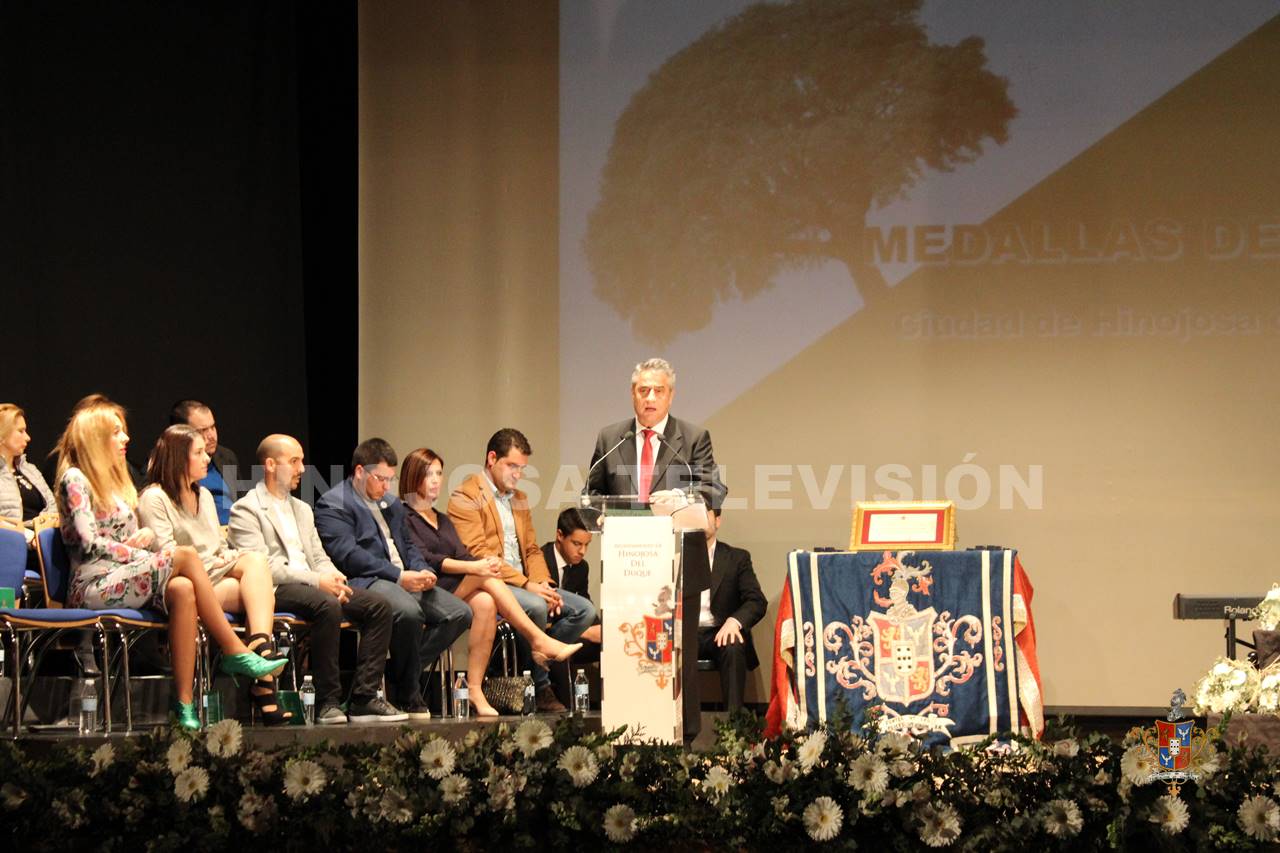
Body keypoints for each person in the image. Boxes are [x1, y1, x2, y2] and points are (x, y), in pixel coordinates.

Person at [55, 399, 284, 731]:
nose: (125, 439)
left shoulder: (117, 483)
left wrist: (142, 538)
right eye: (116, 432)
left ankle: (183, 703)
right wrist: (141, 554)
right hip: (94, 584)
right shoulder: (76, 478)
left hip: (126, 575)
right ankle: (235, 650)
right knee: (186, 556)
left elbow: (126, 536)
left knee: (183, 587)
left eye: (124, 432)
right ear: (95, 436)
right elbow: (88, 544)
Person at [228, 434, 405, 724]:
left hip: (314, 584)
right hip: (276, 589)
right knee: (327, 605)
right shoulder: (246, 509)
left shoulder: (302, 509)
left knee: (379, 606)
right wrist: (316, 580)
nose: (301, 469)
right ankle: (327, 701)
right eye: (294, 461)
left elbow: (319, 556)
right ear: (271, 465)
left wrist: (333, 576)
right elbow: (262, 567)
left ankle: (363, 697)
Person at [400, 447, 582, 717]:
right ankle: (538, 640)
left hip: (458, 588)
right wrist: (477, 566)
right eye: (429, 474)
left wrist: (484, 564)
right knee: (484, 575)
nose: (437, 480)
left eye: (439, 473)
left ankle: (474, 689)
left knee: (485, 602)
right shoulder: (404, 516)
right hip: (431, 589)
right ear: (414, 477)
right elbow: (429, 559)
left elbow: (462, 552)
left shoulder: (442, 519)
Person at [138, 425, 292, 725]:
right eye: (198, 453)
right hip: (181, 582)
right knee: (255, 588)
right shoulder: (154, 498)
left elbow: (217, 547)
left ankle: (259, 646)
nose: (207, 458)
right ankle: (262, 679)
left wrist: (229, 556)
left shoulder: (205, 495)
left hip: (214, 574)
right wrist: (220, 562)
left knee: (256, 562)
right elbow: (166, 557)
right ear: (178, 458)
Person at [315, 438, 471, 719]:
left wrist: (422, 570)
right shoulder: (334, 503)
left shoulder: (391, 504)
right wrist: (399, 576)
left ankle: (393, 675)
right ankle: (409, 692)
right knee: (409, 612)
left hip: (404, 578)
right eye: (381, 479)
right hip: (367, 581)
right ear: (360, 471)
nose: (387, 486)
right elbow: (347, 556)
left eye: (391, 479)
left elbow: (408, 545)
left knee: (459, 613)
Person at [449, 428, 595, 712]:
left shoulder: (520, 498)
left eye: (522, 469)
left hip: (526, 583)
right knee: (538, 607)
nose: (517, 474)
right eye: (512, 466)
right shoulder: (465, 495)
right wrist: (528, 586)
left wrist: (544, 584)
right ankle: (540, 687)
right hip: (494, 583)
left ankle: (537, 661)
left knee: (584, 611)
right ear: (492, 459)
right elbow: (481, 555)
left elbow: (531, 549)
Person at [586, 357, 727, 510]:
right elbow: (591, 493)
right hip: (624, 532)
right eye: (643, 391)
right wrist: (599, 513)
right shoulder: (609, 438)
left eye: (658, 391)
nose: (650, 398)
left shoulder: (694, 438)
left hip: (675, 532)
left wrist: (678, 497)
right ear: (633, 394)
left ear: (671, 396)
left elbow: (713, 489)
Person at [697, 507, 766, 712]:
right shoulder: (675, 557)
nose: (698, 518)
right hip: (688, 631)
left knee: (733, 644)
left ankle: (734, 727)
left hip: (720, 630)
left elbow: (756, 601)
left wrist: (734, 621)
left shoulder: (736, 558)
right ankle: (675, 728)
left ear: (717, 521)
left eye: (705, 513)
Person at [539, 507, 601, 646]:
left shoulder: (582, 567)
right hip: (544, 633)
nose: (583, 551)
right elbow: (542, 616)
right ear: (560, 535)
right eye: (577, 544)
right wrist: (585, 632)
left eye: (587, 544)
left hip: (568, 626)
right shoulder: (539, 561)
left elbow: (585, 601)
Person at [170, 399, 238, 524]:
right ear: (181, 433)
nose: (212, 436)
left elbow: (240, 502)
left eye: (213, 427)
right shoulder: (165, 462)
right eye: (203, 431)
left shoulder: (226, 457)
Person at [0, 404, 58, 543]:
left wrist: (41, 529)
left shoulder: (30, 470)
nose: (28, 438)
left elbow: (53, 506)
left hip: (42, 543)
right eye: (21, 431)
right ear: (2, 435)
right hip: (11, 548)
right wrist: (28, 536)